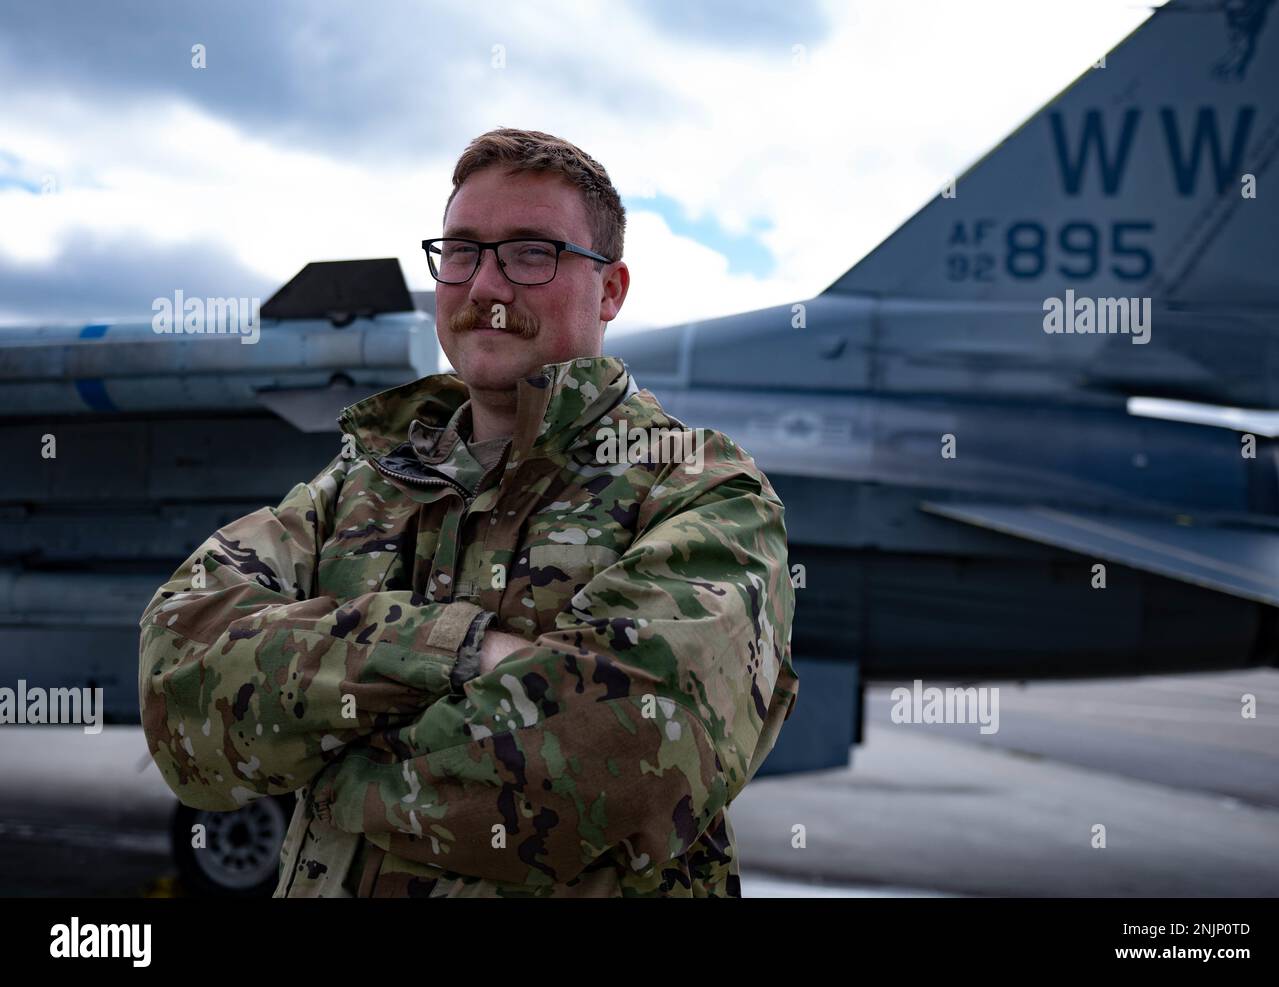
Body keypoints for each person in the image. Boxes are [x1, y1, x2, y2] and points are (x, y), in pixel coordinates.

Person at [138, 127, 798, 897]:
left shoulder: (702, 491)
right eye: (462, 251)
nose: (486, 285)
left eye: (531, 252)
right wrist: (462, 651)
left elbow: (631, 755)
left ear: (611, 289)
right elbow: (177, 687)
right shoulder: (359, 480)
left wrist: (333, 778)